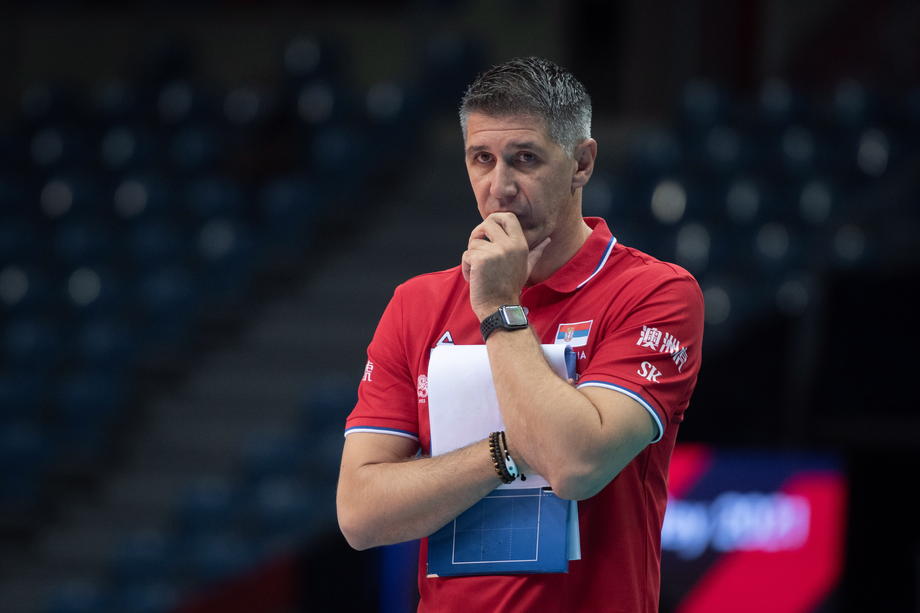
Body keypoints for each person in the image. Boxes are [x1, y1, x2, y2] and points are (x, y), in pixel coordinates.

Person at [336, 56, 704, 613]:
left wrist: (499, 308)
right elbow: (360, 515)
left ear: (582, 163)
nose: (499, 187)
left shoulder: (655, 293)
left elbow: (575, 466)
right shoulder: (417, 304)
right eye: (481, 159)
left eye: (525, 158)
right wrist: (505, 451)